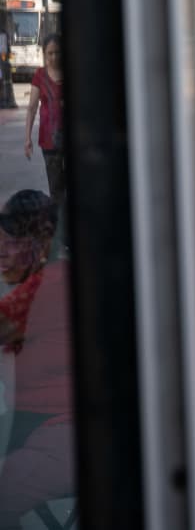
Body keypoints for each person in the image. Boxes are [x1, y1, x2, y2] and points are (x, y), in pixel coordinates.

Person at [0, 190, 74, 526]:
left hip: (58, 435)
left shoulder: (44, 288)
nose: (2, 250)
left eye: (11, 241)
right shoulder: (59, 277)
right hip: (43, 425)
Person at [24, 35, 64, 204]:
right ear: (44, 54)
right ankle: (59, 226)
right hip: (49, 140)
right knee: (55, 189)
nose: (54, 57)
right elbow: (32, 107)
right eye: (50, 53)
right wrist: (27, 138)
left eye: (57, 52)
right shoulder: (39, 75)